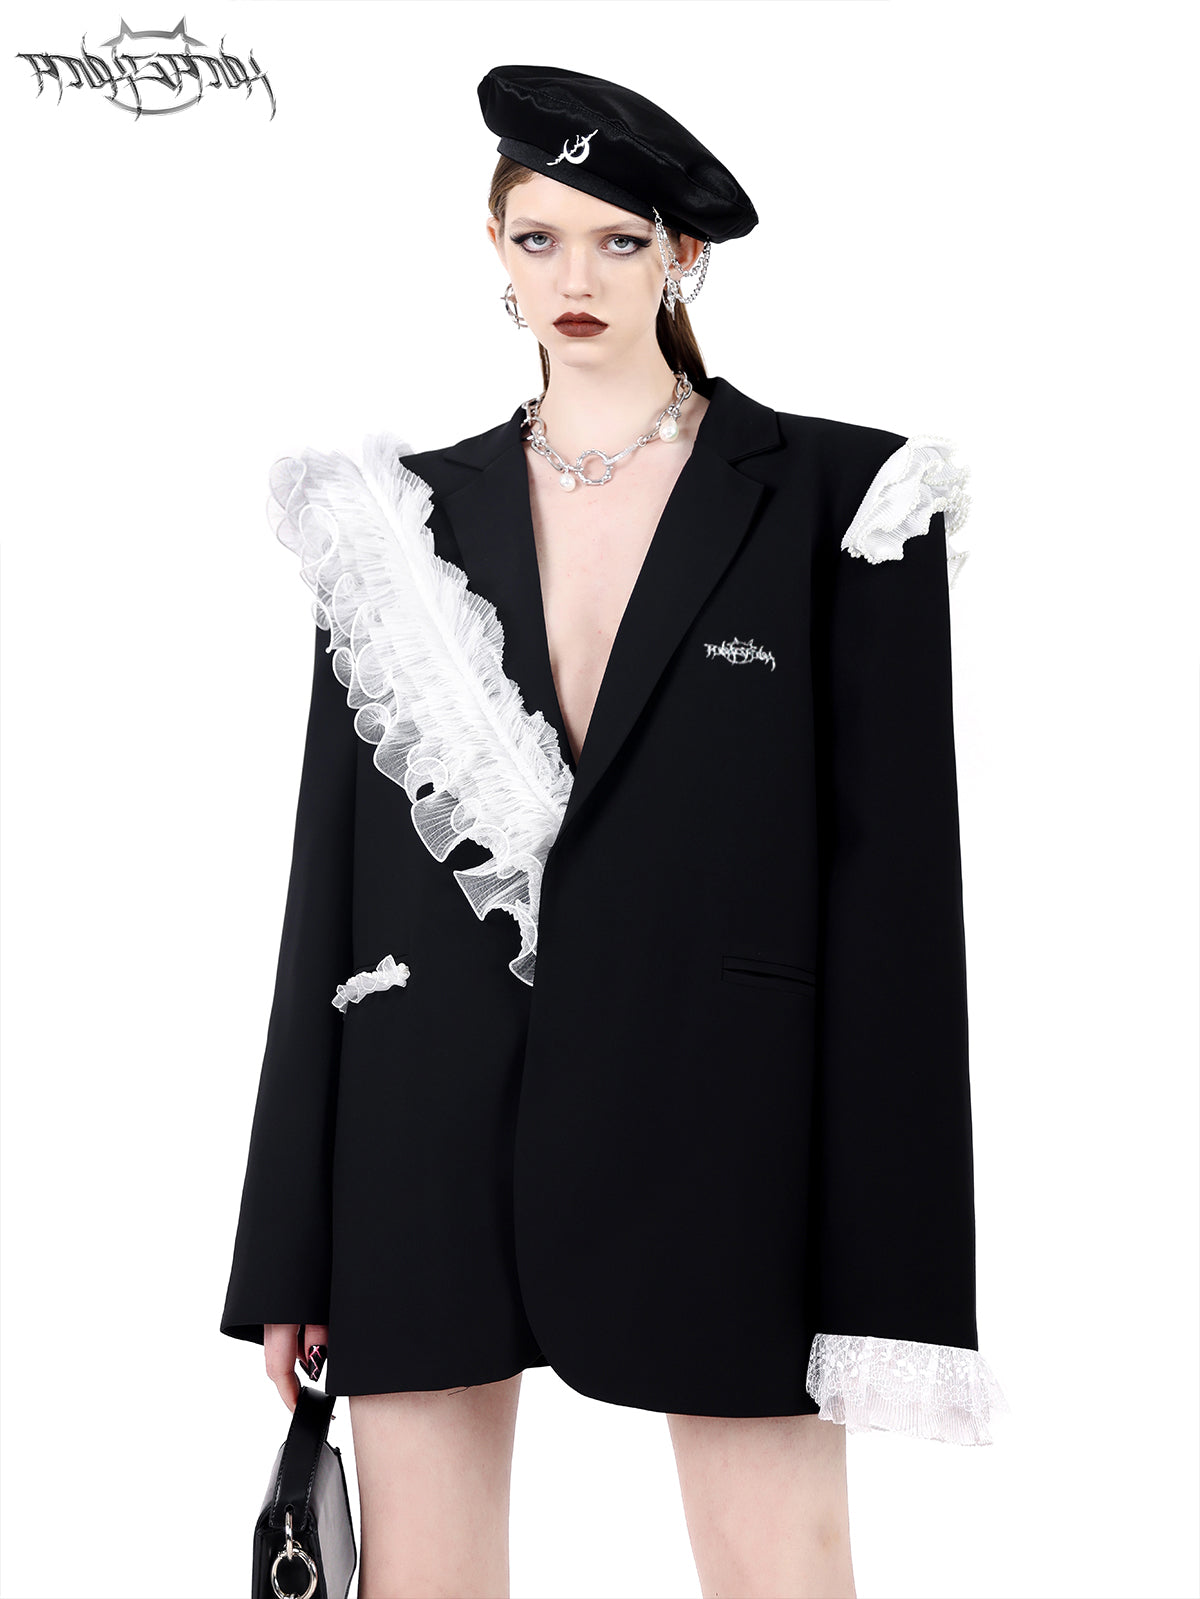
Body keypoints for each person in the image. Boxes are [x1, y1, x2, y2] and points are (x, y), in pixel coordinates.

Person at [220, 63, 1009, 1598]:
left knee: (784, 1571)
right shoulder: (395, 520)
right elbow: (331, 884)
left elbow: (898, 904)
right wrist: (290, 1244)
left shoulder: (844, 498)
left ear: (682, 255)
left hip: (731, 1129)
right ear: (496, 249)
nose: (573, 279)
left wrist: (895, 1279)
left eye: (619, 241)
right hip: (423, 1124)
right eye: (539, 238)